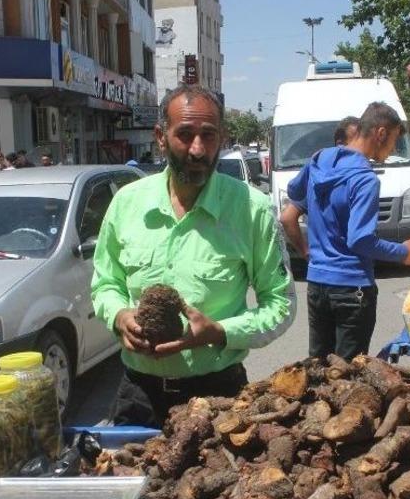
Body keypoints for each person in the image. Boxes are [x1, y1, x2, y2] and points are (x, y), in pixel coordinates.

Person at [92, 84, 296, 427]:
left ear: (222, 137)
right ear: (161, 136)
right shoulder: (126, 204)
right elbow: (105, 283)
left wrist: (219, 331)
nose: (198, 149)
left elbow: (282, 304)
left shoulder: (253, 211)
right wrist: (119, 315)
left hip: (220, 397)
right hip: (138, 397)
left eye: (208, 135)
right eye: (184, 135)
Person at [279, 102, 410, 361]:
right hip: (352, 289)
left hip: (318, 284)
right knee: (348, 378)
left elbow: (294, 192)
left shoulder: (319, 160)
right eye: (394, 142)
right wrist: (402, 252)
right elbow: (360, 239)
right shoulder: (365, 179)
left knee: (318, 369)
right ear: (380, 133)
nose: (392, 150)